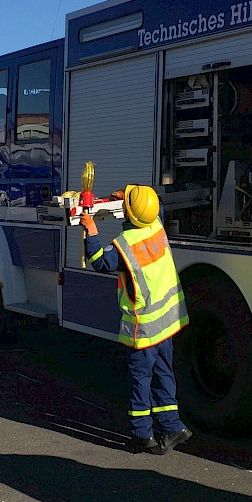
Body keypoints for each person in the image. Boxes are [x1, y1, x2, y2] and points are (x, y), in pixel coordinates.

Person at [79, 184, 192, 455]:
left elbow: (99, 261)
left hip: (143, 326)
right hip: (167, 321)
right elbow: (156, 204)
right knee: (164, 372)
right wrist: (129, 199)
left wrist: (91, 231)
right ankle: (172, 425)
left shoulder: (125, 245)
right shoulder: (157, 225)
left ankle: (143, 435)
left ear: (128, 213)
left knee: (140, 378)